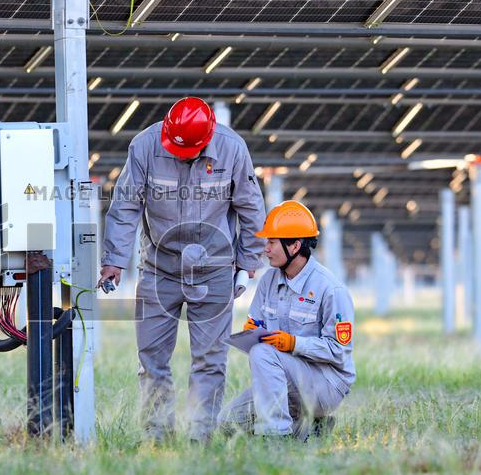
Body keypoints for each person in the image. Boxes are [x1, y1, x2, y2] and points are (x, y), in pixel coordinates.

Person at [98, 97, 266, 442]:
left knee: (210, 359)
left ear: (208, 138)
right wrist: (114, 258)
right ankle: (157, 434)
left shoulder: (232, 149)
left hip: (215, 268)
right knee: (151, 359)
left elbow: (250, 205)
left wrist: (248, 260)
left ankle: (199, 436)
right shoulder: (144, 147)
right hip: (158, 268)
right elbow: (126, 204)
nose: (183, 155)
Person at [220, 201, 355, 440]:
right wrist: (252, 331)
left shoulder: (330, 288)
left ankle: (276, 437)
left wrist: (294, 344)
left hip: (326, 383)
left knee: (263, 353)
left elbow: (340, 351)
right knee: (228, 424)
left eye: (272, 242)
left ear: (294, 245)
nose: (266, 249)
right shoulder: (267, 282)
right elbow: (259, 328)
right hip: (283, 376)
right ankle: (310, 429)